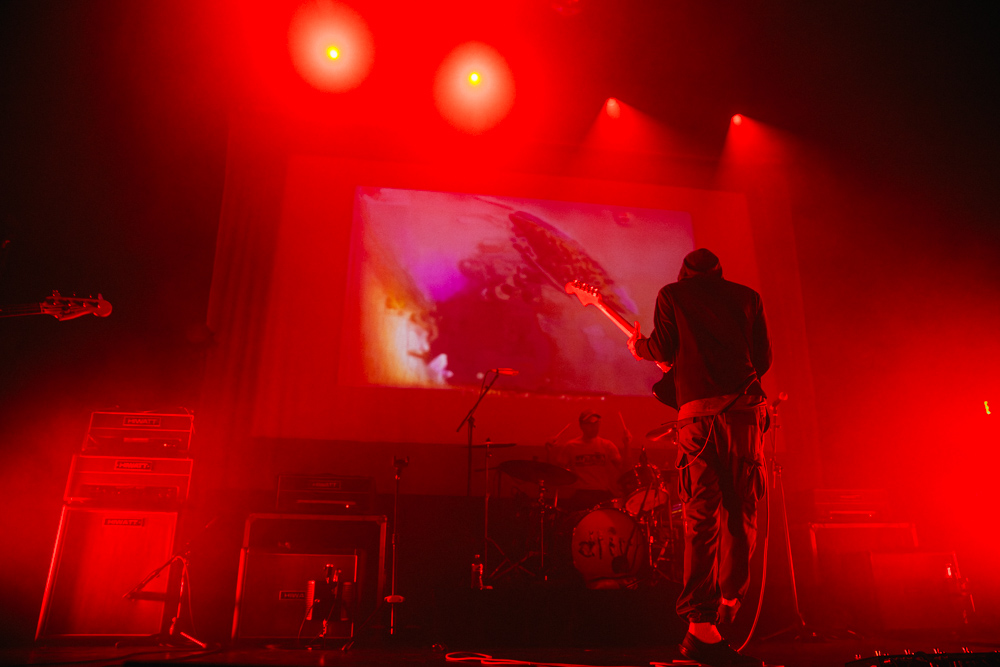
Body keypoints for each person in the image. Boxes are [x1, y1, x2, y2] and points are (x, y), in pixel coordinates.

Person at [627, 248, 771, 667]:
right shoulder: (748, 297)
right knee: (741, 510)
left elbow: (663, 347)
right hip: (744, 413)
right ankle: (730, 597)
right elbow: (762, 360)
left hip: (698, 419)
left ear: (684, 273)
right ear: (719, 271)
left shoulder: (673, 294)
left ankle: (700, 623)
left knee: (700, 518)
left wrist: (640, 347)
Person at [546, 409, 631, 511]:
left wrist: (627, 445)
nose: (594, 426)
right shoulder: (571, 446)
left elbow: (625, 469)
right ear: (582, 425)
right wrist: (549, 451)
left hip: (602, 493)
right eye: (590, 423)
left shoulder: (607, 445)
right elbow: (556, 473)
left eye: (596, 423)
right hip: (581, 493)